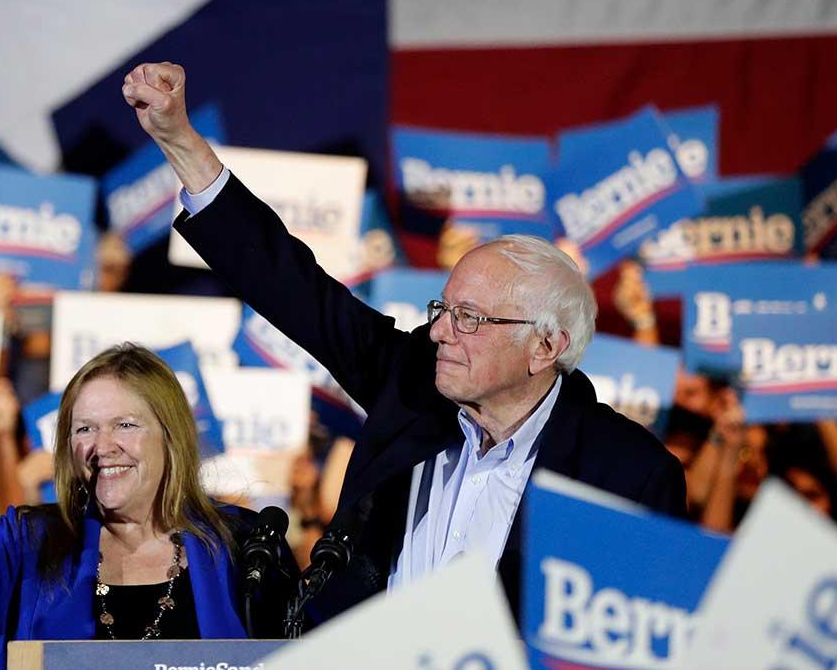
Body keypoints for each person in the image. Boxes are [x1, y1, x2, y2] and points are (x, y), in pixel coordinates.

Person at [122, 62, 687, 621]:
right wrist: (181, 142)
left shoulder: (627, 473)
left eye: (470, 318)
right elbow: (292, 288)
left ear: (546, 347)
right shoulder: (413, 385)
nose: (439, 331)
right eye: (443, 309)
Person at [0, 344, 295, 670]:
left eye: (125, 425)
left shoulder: (245, 547)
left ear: (171, 436)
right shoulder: (28, 546)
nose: (101, 446)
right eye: (84, 429)